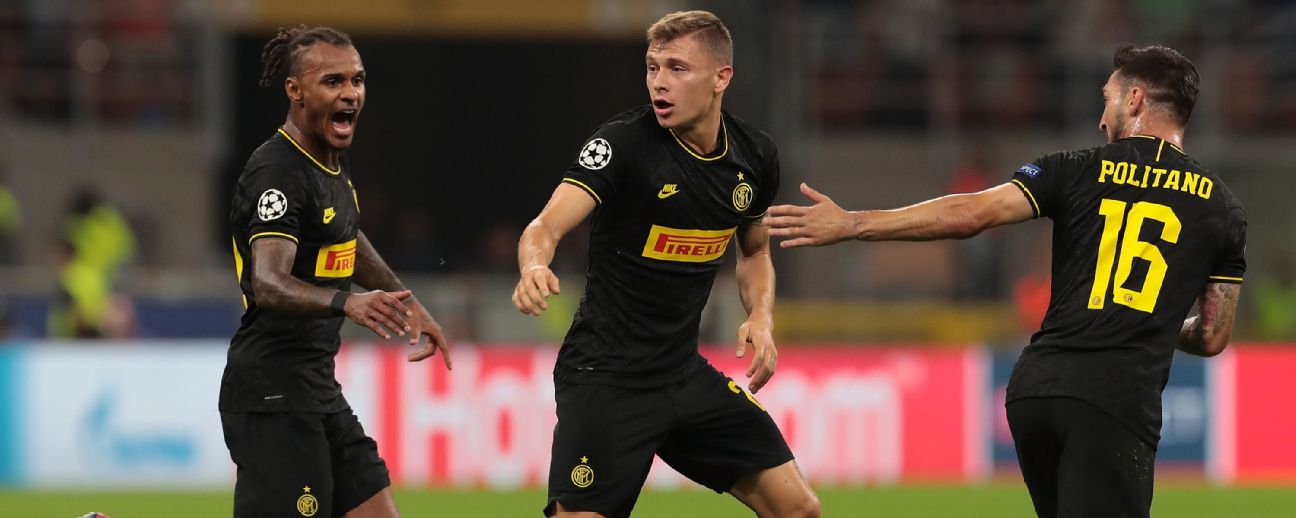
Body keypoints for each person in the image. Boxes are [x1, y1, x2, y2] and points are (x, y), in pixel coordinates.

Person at [764, 44, 1245, 518]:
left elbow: (973, 212)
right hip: (1114, 402)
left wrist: (853, 223)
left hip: (1035, 390)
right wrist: (1158, 325)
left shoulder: (1072, 168)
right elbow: (1211, 334)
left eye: (1108, 98)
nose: (1103, 118)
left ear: (1135, 100)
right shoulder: (1222, 209)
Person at [513, 11, 819, 518]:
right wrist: (532, 266)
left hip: (683, 377)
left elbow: (755, 251)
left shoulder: (754, 155)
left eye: (677, 68)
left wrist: (761, 316)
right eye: (652, 67)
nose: (659, 82)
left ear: (721, 78)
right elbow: (543, 227)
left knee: (799, 509)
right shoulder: (622, 144)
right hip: (605, 378)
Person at [222, 26, 451, 518]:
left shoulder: (328, 166)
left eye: (358, 80)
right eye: (332, 81)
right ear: (295, 90)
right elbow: (267, 281)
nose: (350, 93)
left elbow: (348, 241)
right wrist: (348, 301)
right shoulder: (278, 171)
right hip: (271, 394)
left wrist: (408, 303)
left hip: (315, 389)